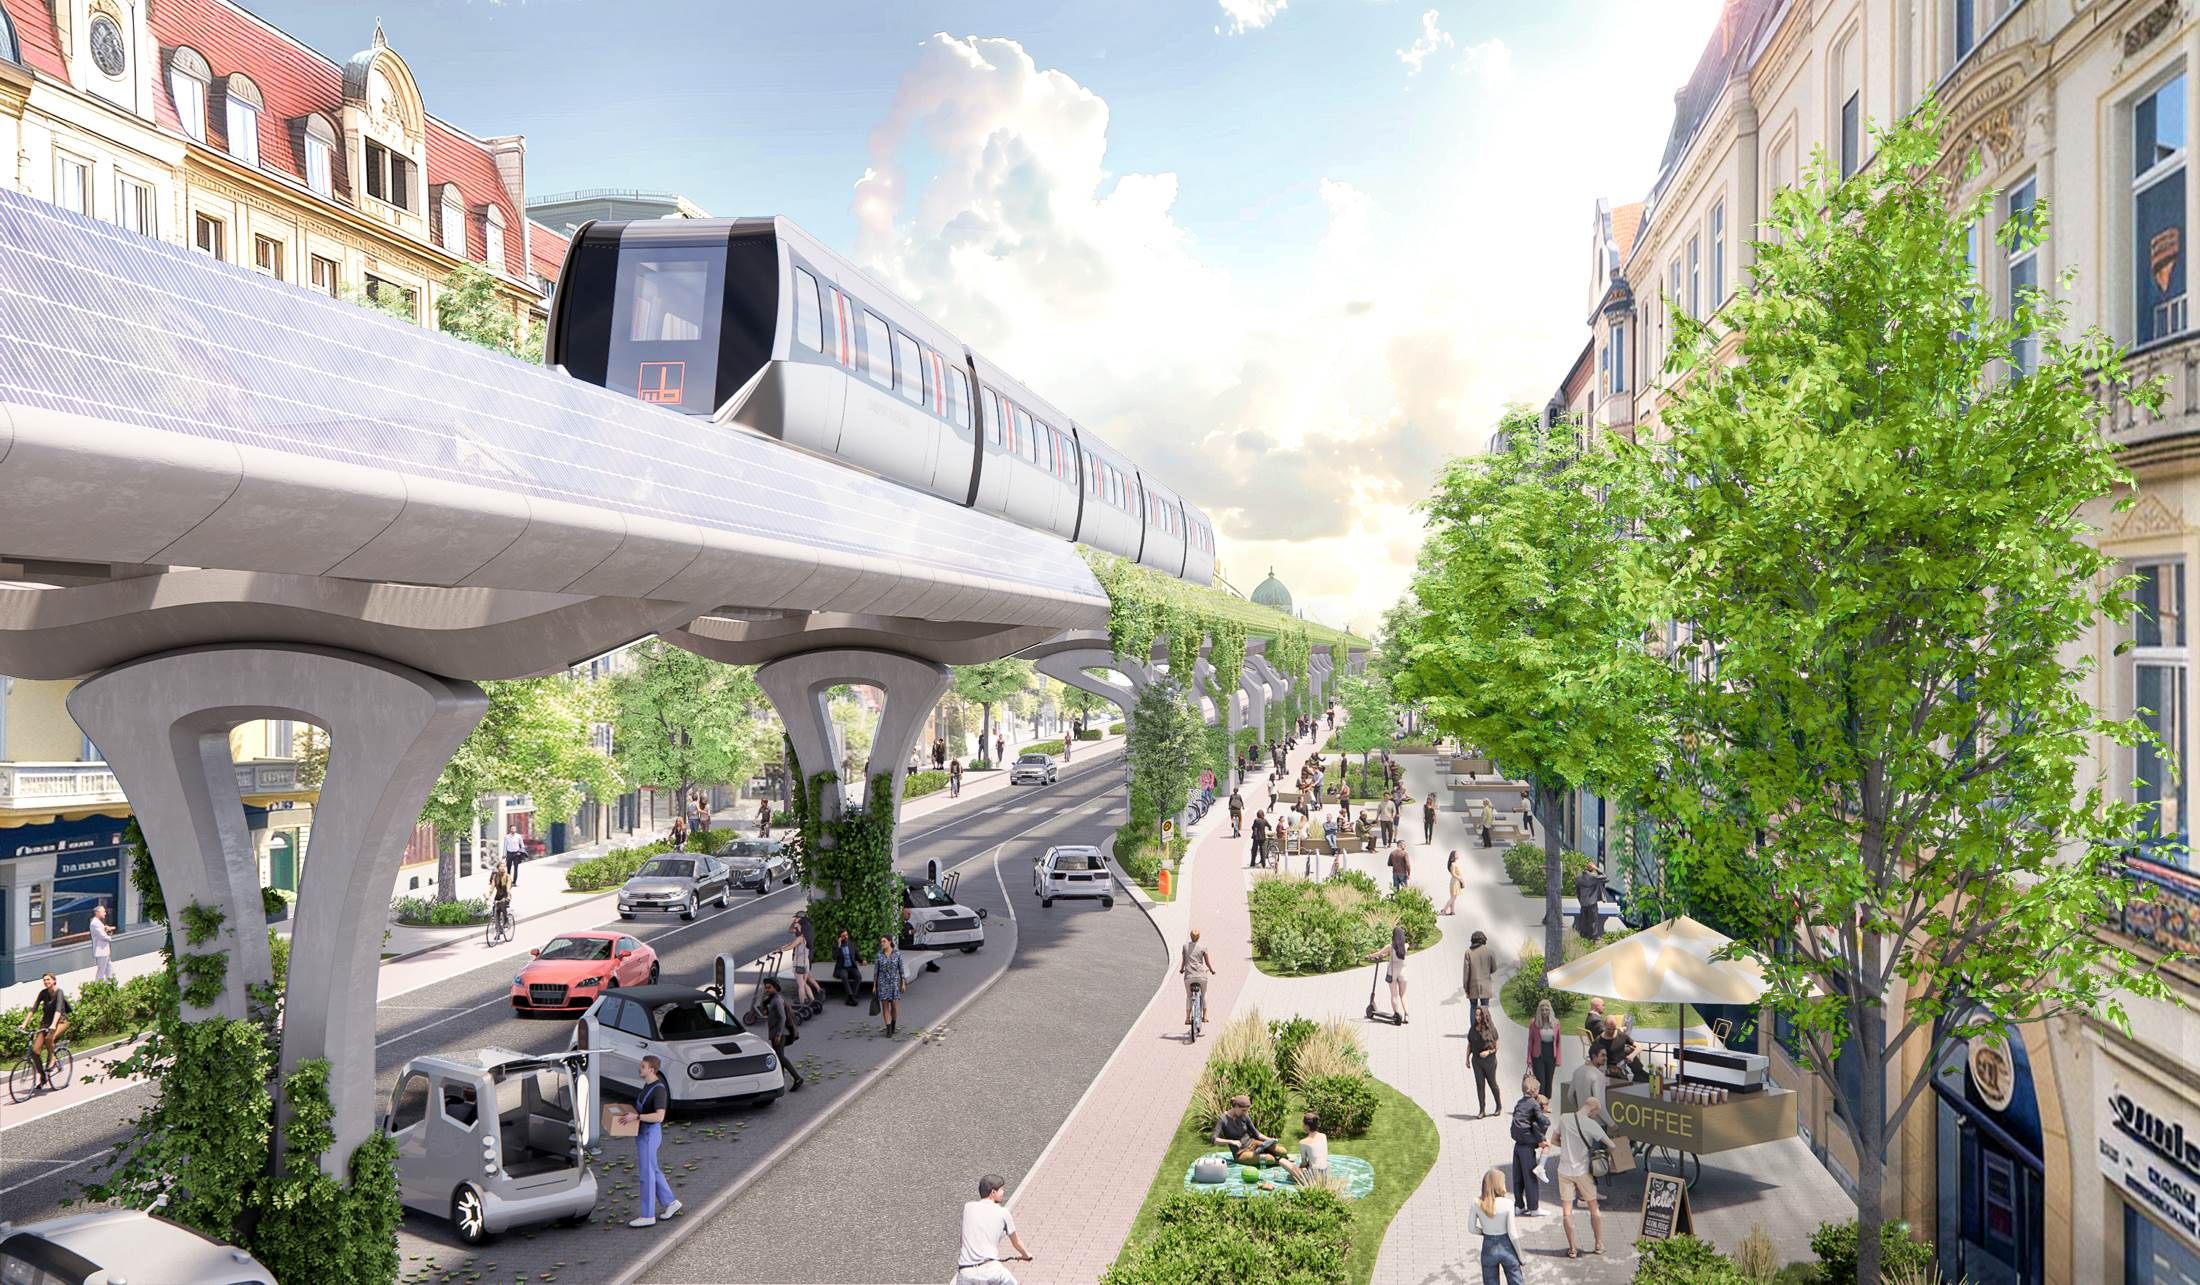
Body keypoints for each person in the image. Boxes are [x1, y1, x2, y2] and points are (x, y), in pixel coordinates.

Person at [625, 1054, 681, 1227]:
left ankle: (647, 1215)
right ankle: (671, 1203)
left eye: (643, 1066)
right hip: (644, 1133)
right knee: (653, 1170)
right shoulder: (648, 1085)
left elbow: (659, 1116)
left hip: (649, 1133)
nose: (639, 1068)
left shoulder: (659, 1090)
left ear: (651, 1069)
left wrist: (637, 1116)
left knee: (646, 1175)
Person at [1555, 1098, 1612, 1258]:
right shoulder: (1591, 1124)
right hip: (1583, 1172)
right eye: (1596, 1113)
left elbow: (1553, 1139)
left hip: (1564, 1170)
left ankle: (1572, 1248)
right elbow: (1611, 1145)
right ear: (1593, 1110)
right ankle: (1598, 1244)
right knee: (1593, 1207)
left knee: (1567, 1212)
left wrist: (1566, 1146)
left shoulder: (1564, 1118)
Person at [955, 1173, 1032, 1284]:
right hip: (990, 1270)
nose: (1003, 1192)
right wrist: (1026, 1255)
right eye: (1001, 1189)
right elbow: (1016, 1242)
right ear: (993, 1192)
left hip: (966, 1272)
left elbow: (963, 1239)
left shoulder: (968, 1208)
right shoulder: (1003, 1212)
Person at [1469, 1167, 1525, 1285]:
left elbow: (1472, 1229)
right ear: (1499, 1184)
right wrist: (1521, 1256)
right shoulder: (1508, 1204)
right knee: (1516, 1281)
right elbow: (1512, 1233)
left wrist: (1484, 1232)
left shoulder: (1476, 1203)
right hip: (1507, 1248)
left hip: (1488, 1248)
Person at [1509, 1074, 1553, 1215]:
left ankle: (1519, 1206)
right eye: (1538, 1090)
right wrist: (1545, 1126)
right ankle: (1534, 1208)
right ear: (1533, 1090)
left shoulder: (1520, 1102)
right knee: (1530, 1177)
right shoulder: (1534, 1103)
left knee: (1518, 1177)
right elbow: (1540, 1120)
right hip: (1527, 1146)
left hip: (1517, 1144)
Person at [1211, 1094, 1290, 1164]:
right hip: (1241, 1153)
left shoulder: (1244, 1116)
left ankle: (1278, 1157)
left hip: (1254, 1144)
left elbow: (1257, 1134)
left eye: (1246, 1111)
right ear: (1236, 1106)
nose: (1245, 1113)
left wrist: (1270, 1139)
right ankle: (1278, 1161)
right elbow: (1214, 1140)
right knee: (1270, 1159)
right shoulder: (1223, 1119)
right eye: (1243, 1110)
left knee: (1282, 1151)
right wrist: (1231, 1141)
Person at [21, 973, 69, 1085]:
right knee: (34, 1051)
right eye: (44, 980)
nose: (46, 982)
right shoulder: (43, 993)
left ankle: (52, 1058)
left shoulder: (59, 992)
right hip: (45, 1024)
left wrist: (53, 1024)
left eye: (48, 979)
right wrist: (24, 1024)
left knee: (49, 1039)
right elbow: (33, 1008)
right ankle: (42, 1076)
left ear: (54, 981)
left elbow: (58, 1010)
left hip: (60, 1022)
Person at [760, 979, 805, 1093]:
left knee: (780, 1058)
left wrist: (779, 1034)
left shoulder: (777, 1000)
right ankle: (780, 1080)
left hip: (780, 1033)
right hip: (776, 1033)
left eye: (769, 987)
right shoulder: (771, 1000)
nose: (767, 989)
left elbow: (782, 1017)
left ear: (775, 987)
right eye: (766, 987)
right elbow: (765, 1012)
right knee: (780, 1058)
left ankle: (797, 1078)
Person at [1366, 923, 1408, 1023]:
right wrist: (1386, 955)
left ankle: (1397, 1014)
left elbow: (1378, 953)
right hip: (1403, 973)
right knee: (1403, 995)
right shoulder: (1406, 946)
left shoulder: (1390, 946)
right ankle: (1407, 1015)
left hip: (1392, 973)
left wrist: (1369, 956)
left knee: (1394, 995)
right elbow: (1395, 953)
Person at [1180, 927, 1215, 1035]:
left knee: (1189, 996)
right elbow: (1208, 963)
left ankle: (1187, 1018)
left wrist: (1181, 969)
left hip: (1189, 976)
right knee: (1203, 995)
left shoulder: (1185, 946)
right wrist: (1212, 970)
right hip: (1201, 976)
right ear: (1199, 937)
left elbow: (1184, 961)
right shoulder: (1203, 947)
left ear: (1190, 936)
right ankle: (1205, 1016)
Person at [1468, 1007, 1502, 1118]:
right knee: (1480, 1085)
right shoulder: (1473, 1028)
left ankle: (1498, 1106)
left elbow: (1497, 1047)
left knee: (1492, 1084)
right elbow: (1470, 1044)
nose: (1477, 1017)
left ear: (1485, 1016)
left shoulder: (1492, 1029)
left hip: (1489, 1061)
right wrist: (1467, 1058)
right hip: (1476, 1061)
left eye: (1480, 1015)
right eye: (1476, 1015)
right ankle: (1482, 1110)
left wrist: (1488, 1052)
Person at [1528, 998, 1563, 1097]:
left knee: (1549, 1081)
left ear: (1550, 1010)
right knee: (1540, 1081)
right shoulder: (1534, 1023)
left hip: (1551, 1055)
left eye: (1546, 1010)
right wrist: (1529, 1059)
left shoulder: (1556, 1023)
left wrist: (1558, 1060)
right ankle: (1539, 1105)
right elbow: (1530, 1042)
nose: (1544, 1012)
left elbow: (1558, 1042)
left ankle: (1546, 1102)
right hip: (1538, 1055)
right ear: (1539, 1011)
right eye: (1542, 1010)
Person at [1462, 929, 1497, 1025]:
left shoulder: (1468, 952)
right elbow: (1494, 969)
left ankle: (1474, 1030)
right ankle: (1485, 1027)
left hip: (1472, 986)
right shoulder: (1490, 951)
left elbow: (1466, 972)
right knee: (1485, 1007)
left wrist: (1465, 987)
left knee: (1473, 1007)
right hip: (1486, 986)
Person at [1287, 1111, 1330, 1187]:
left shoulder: (1303, 1142)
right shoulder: (1324, 1136)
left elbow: (1304, 1164)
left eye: (1303, 1123)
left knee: (1282, 1162)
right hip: (1325, 1175)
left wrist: (1296, 1169)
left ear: (1307, 1126)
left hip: (1313, 1177)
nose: (1302, 1125)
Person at [874, 935, 906, 1036]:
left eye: (884, 941)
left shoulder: (897, 954)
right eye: (881, 942)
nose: (882, 943)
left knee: (895, 1006)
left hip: (894, 983)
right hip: (883, 983)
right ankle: (888, 1028)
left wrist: (903, 983)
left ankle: (893, 1023)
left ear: (889, 942)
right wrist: (874, 986)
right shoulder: (879, 955)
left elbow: (901, 970)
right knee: (885, 1006)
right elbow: (876, 972)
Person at [787, 916, 821, 1007]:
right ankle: (814, 998)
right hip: (806, 959)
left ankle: (803, 1001)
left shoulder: (800, 937)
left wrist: (781, 950)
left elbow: (791, 946)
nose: (796, 923)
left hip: (800, 961)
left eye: (797, 919)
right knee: (806, 979)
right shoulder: (807, 932)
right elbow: (790, 930)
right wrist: (795, 923)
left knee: (802, 983)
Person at [1569, 1042, 1610, 1114]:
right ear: (1594, 1056)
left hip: (1582, 1118)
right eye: (1603, 1055)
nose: (1605, 1058)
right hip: (1596, 1122)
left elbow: (1570, 1096)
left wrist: (1581, 1111)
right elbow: (1600, 1107)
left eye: (1606, 1055)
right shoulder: (1598, 1075)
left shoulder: (1577, 1071)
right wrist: (1612, 1125)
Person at [1575, 861, 1609, 941]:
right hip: (1592, 902)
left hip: (1583, 902)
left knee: (1583, 921)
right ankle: (1594, 938)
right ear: (1591, 869)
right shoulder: (1594, 877)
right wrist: (1596, 868)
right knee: (1593, 921)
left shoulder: (1578, 877)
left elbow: (1577, 891)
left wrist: (1580, 900)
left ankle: (1583, 938)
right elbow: (1606, 877)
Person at [831, 928, 861, 1007]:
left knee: (858, 976)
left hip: (851, 967)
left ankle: (851, 997)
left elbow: (857, 955)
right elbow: (834, 957)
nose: (846, 937)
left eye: (846, 935)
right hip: (842, 968)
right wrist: (839, 945)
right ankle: (851, 996)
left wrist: (862, 961)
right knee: (844, 976)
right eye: (843, 936)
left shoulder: (851, 944)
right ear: (840, 937)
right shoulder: (836, 945)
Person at [89, 903, 114, 982]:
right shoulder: (95, 923)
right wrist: (109, 938)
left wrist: (108, 930)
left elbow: (106, 933)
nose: (105, 913)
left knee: (109, 969)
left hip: (105, 951)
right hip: (101, 951)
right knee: (101, 971)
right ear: (97, 913)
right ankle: (97, 987)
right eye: (103, 912)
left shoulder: (99, 923)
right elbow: (102, 936)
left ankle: (110, 985)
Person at [488, 862, 513, 935]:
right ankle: (498, 932)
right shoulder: (495, 876)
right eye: (501, 867)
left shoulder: (507, 876)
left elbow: (508, 886)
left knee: (502, 903)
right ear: (498, 868)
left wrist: (508, 895)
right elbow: (492, 887)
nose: (503, 868)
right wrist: (488, 895)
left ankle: (506, 920)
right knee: (495, 914)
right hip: (498, 896)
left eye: (504, 867)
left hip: (506, 895)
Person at [1443, 852, 1463, 916]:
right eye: (1456, 854)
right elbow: (1453, 874)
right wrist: (1460, 879)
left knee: (1453, 897)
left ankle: (1452, 911)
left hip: (1455, 881)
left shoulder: (1454, 863)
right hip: (1455, 882)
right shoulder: (1453, 864)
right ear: (1453, 856)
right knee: (1453, 898)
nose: (1458, 855)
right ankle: (1444, 910)